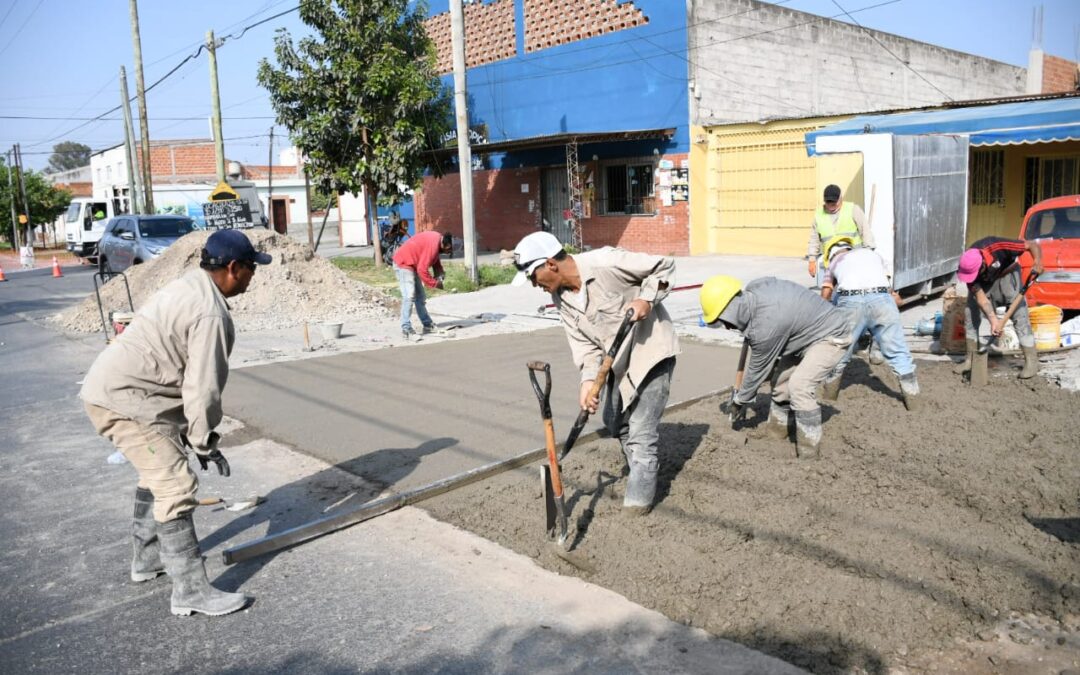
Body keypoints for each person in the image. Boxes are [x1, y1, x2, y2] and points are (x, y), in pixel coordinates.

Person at [81, 229, 271, 617]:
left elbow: (182, 376)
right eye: (252, 269)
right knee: (176, 485)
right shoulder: (210, 312)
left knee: (156, 474)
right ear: (234, 268)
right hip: (128, 402)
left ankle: (147, 560)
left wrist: (192, 434)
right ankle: (190, 592)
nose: (254, 276)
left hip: (121, 392)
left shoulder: (190, 284)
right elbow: (202, 388)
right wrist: (203, 441)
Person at [511, 232, 678, 515]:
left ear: (550, 264)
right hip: (617, 362)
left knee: (641, 433)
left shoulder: (606, 262)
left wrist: (647, 300)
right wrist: (588, 380)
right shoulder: (560, 298)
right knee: (614, 421)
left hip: (650, 352)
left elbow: (664, 265)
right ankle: (639, 463)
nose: (534, 285)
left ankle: (638, 503)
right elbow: (585, 345)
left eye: (532, 276)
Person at [699, 275, 851, 458]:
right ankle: (777, 433)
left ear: (731, 310)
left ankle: (809, 453)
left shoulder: (765, 328)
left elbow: (758, 371)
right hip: (800, 335)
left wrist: (740, 400)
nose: (728, 328)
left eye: (725, 322)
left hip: (831, 335)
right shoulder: (755, 287)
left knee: (799, 386)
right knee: (780, 386)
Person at [818, 236, 921, 410]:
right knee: (898, 352)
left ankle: (829, 396)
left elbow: (827, 291)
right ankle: (914, 402)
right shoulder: (873, 255)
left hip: (851, 302)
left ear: (831, 253)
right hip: (882, 298)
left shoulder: (835, 261)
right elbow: (888, 287)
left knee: (839, 350)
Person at [954, 236, 1044, 380]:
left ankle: (1031, 362)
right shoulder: (967, 267)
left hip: (1008, 274)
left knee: (1019, 314)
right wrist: (994, 321)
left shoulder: (999, 246)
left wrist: (1038, 261)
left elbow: (1032, 245)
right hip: (986, 281)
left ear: (982, 264)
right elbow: (982, 300)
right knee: (970, 314)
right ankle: (970, 359)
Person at [807, 184, 875, 288]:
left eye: (834, 202)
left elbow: (865, 231)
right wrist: (812, 259)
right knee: (834, 289)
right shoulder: (819, 215)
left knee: (854, 286)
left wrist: (869, 252)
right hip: (831, 262)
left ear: (841, 198)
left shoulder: (852, 209)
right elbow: (814, 239)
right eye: (828, 202)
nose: (831, 205)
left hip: (854, 258)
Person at [392, 230, 453, 339]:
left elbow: (434, 259)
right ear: (446, 245)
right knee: (409, 296)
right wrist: (434, 283)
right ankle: (406, 328)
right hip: (404, 263)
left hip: (412, 264)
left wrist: (439, 270)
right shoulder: (434, 245)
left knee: (420, 297)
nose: (448, 253)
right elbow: (422, 270)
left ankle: (427, 324)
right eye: (448, 251)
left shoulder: (438, 240)